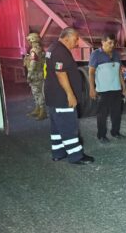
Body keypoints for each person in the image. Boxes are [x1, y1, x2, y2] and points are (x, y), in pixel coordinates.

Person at [44, 27, 94, 164]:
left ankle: (58, 153)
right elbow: (61, 74)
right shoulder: (60, 51)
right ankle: (76, 156)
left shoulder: (53, 47)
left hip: (53, 96)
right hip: (62, 97)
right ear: (66, 37)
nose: (77, 42)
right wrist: (70, 95)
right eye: (75, 38)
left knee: (57, 127)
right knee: (68, 126)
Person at [88, 33, 126, 143]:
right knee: (102, 114)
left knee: (116, 113)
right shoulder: (96, 54)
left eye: (113, 43)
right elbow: (91, 73)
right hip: (103, 90)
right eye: (109, 43)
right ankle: (101, 135)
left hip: (116, 89)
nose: (112, 45)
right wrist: (92, 88)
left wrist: (123, 87)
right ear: (103, 42)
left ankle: (115, 132)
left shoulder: (116, 54)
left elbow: (119, 71)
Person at [24, 33, 47, 120]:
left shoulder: (34, 50)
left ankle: (42, 111)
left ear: (32, 40)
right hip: (39, 73)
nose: (28, 42)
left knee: (37, 92)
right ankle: (38, 109)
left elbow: (33, 64)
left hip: (35, 74)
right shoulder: (40, 49)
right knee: (36, 92)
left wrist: (29, 75)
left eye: (29, 40)